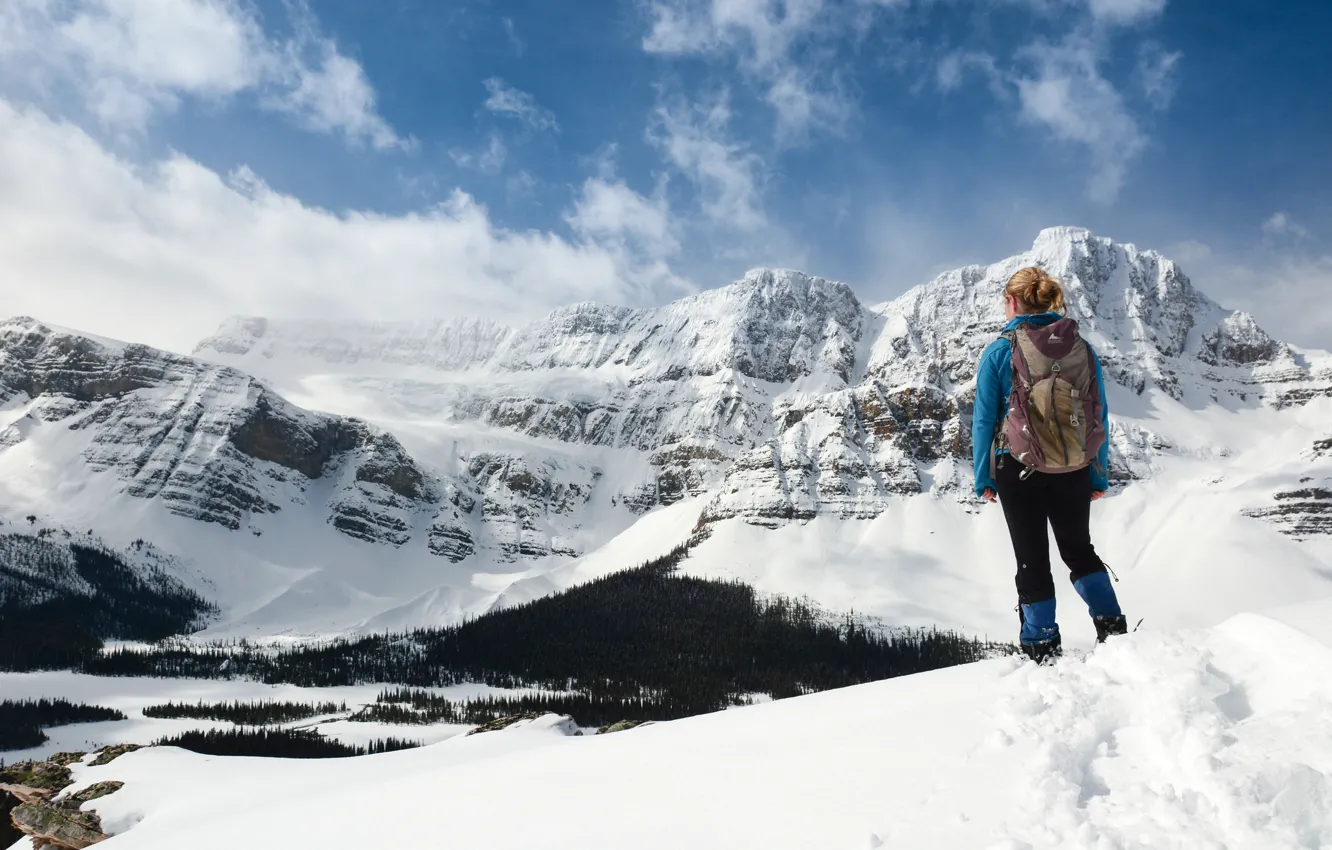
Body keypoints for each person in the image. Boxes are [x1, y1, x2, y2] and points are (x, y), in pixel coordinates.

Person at [971, 267, 1128, 662]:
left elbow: (985, 420)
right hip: (1073, 467)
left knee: (1032, 558)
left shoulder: (999, 350)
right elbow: (1099, 414)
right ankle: (1113, 628)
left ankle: (1041, 644)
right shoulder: (1082, 348)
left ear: (1012, 302)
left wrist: (982, 476)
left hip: (1017, 468)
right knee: (1079, 550)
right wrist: (1097, 470)